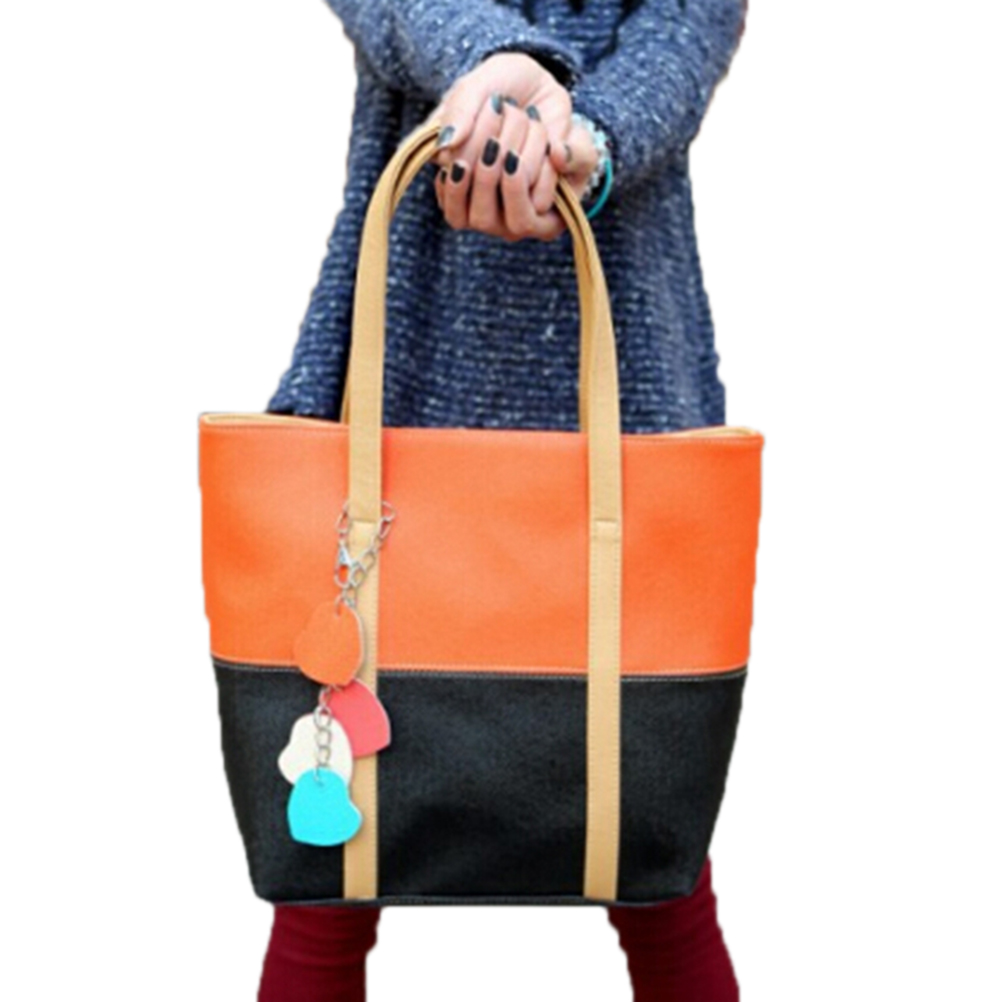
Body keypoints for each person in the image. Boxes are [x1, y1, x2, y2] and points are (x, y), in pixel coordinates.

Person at [262, 2, 748, 999]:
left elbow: (692, 19)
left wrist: (580, 140)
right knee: (328, 849)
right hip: (412, 329)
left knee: (656, 840)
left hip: (625, 344)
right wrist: (499, 67)